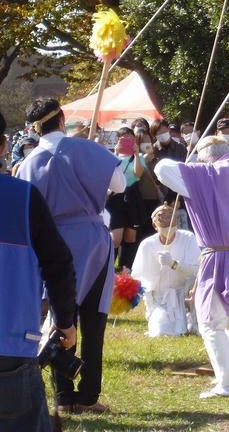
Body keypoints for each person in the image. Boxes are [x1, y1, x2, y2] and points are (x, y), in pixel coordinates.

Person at [17, 98, 126, 414]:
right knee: (93, 319)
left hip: (48, 242)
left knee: (60, 317)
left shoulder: (27, 163)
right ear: (62, 119)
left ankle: (63, 396)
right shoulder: (87, 149)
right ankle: (88, 394)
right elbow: (120, 185)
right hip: (91, 240)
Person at [154, 136, 229, 398]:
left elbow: (161, 168)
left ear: (205, 158)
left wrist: (193, 164)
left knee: (211, 321)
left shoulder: (208, 174)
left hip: (221, 254)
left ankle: (228, 383)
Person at [0, 109, 77, 431]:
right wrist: (65, 322)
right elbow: (58, 264)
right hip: (10, 346)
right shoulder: (22, 197)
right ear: (4, 146)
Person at [131, 204, 200, 337]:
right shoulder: (147, 245)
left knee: (200, 329)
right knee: (161, 331)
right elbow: (140, 280)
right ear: (155, 226)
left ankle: (192, 318)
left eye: (171, 225)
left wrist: (174, 264)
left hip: (187, 296)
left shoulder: (188, 238)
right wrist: (150, 308)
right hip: (162, 299)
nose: (169, 230)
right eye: (164, 226)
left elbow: (195, 270)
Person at [106, 127, 146, 270]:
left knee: (130, 237)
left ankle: (126, 269)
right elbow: (108, 173)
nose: (128, 139)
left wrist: (136, 155)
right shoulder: (111, 156)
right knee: (115, 238)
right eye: (124, 137)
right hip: (115, 198)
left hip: (132, 197)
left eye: (130, 137)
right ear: (118, 139)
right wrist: (116, 153)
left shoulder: (138, 157)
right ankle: (110, 269)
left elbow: (138, 174)